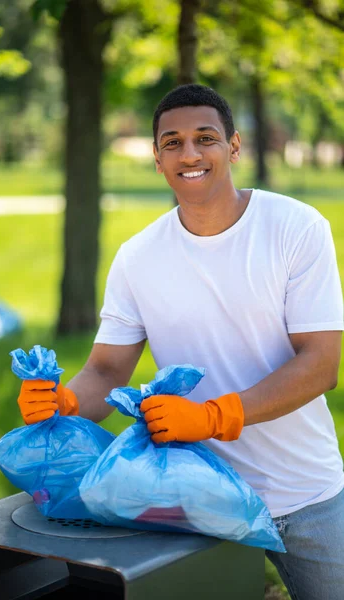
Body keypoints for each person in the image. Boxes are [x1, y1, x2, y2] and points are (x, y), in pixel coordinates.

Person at [17, 84, 344, 600]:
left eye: (205, 138)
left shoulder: (296, 228)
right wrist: (66, 402)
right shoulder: (138, 256)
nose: (189, 154)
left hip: (306, 494)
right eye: (172, 142)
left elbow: (321, 363)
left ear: (234, 146)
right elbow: (106, 370)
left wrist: (214, 416)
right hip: (193, 499)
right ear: (156, 158)